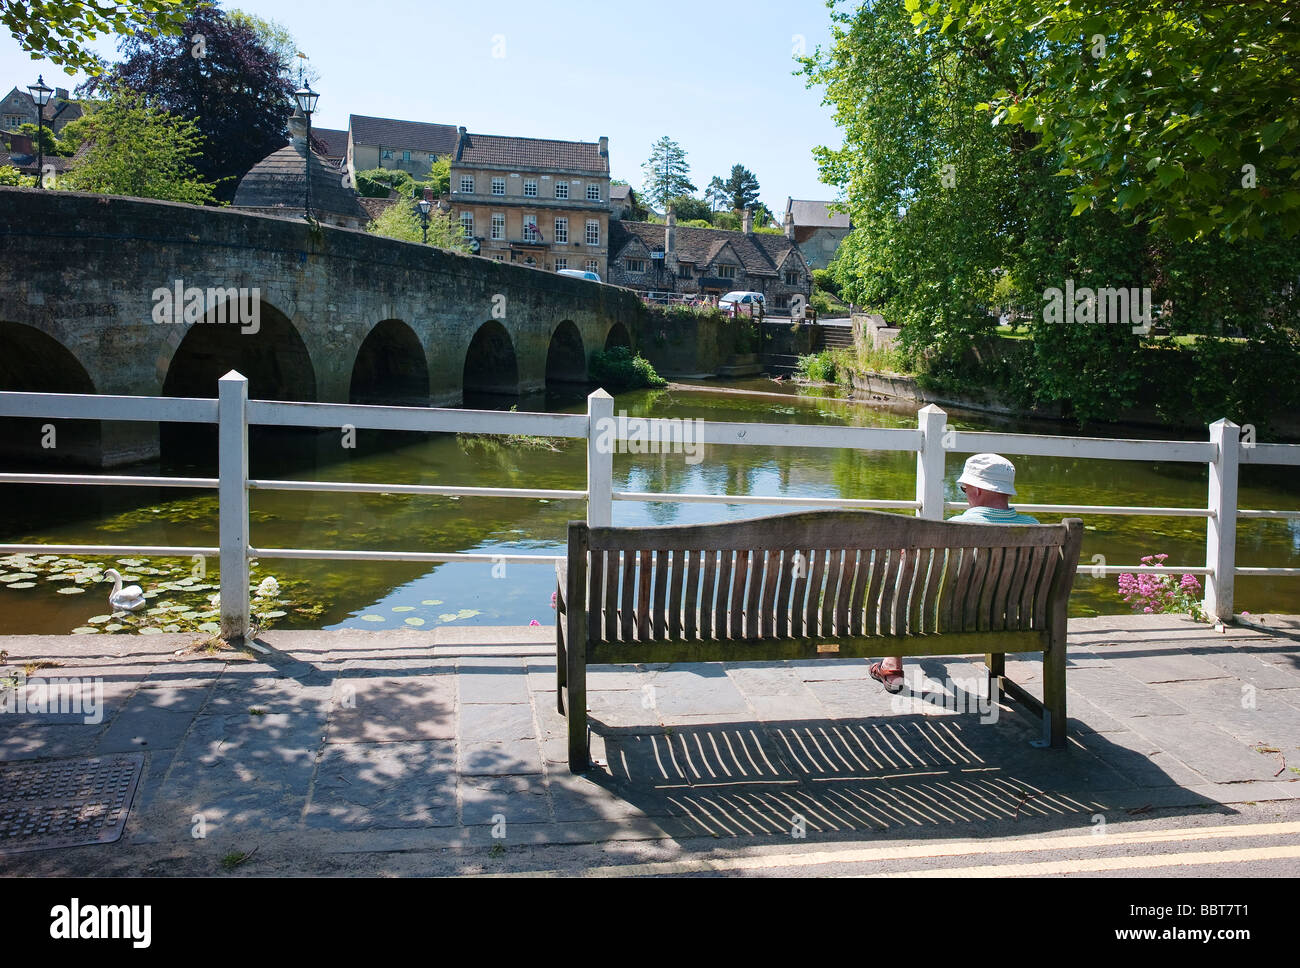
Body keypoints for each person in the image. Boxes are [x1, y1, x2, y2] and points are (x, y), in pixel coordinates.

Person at [870, 453, 1038, 693]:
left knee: (903, 580)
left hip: (948, 623)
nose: (966, 493)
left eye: (964, 487)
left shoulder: (954, 529)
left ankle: (892, 662)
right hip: (1009, 620)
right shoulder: (1035, 528)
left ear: (978, 490)